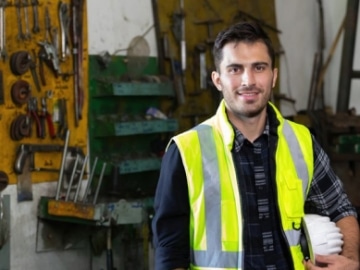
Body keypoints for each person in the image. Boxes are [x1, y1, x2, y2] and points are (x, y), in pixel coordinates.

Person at [151, 21, 359, 270]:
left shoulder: (301, 140)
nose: (248, 80)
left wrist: (351, 260)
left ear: (274, 76)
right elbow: (170, 250)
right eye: (235, 69)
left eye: (259, 67)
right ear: (217, 80)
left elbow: (340, 208)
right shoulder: (185, 150)